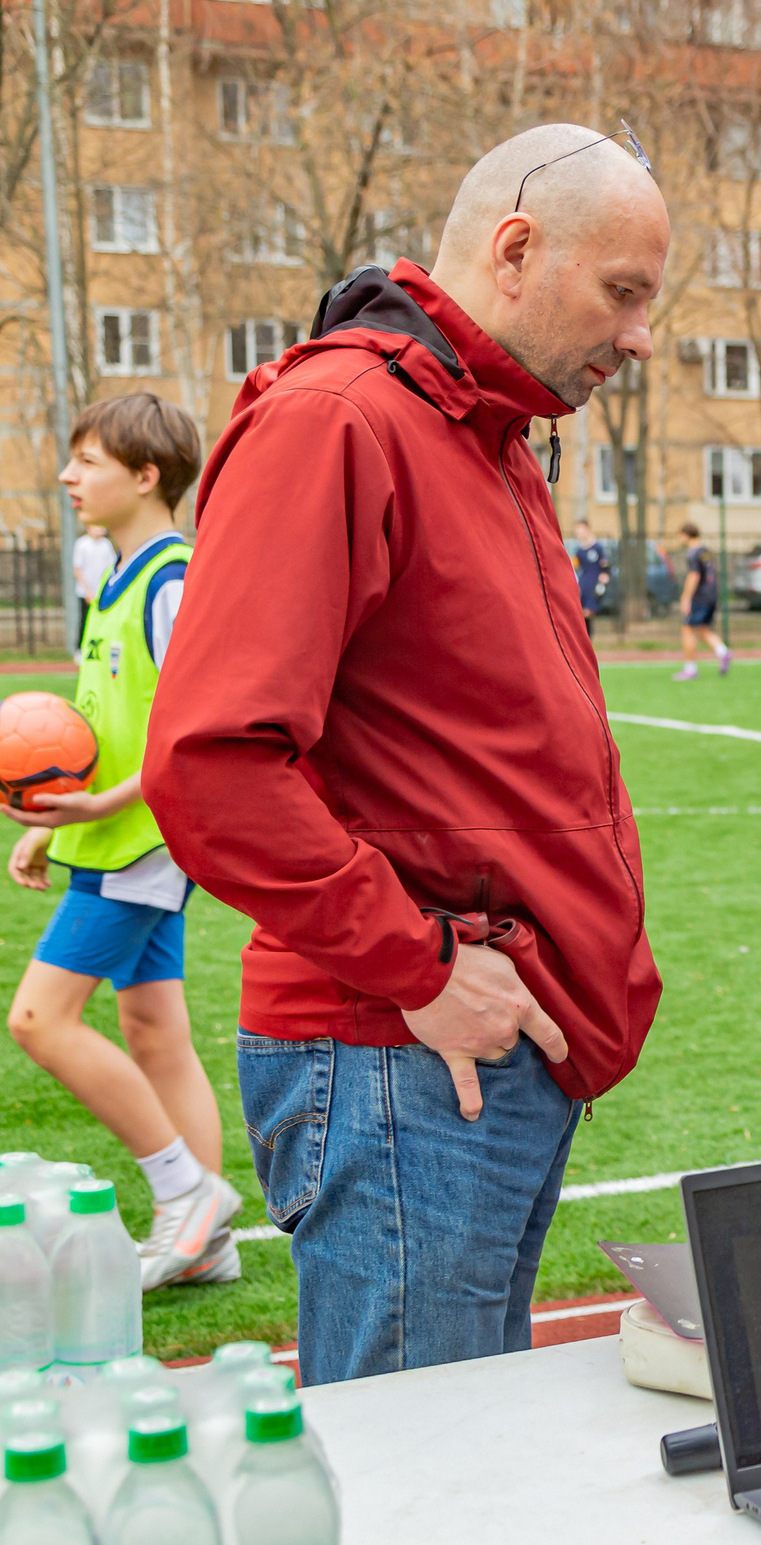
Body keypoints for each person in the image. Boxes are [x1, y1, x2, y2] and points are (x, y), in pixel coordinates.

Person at [143, 123, 669, 1386]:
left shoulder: (486, 438)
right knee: (418, 1484)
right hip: (402, 1056)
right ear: (515, 249)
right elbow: (211, 760)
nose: (641, 337)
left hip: (474, 1056)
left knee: (471, 1461)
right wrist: (424, 966)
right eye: (625, 293)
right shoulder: (340, 419)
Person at [5, 394, 238, 1292]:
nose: (69, 476)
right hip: (115, 835)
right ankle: (205, 1239)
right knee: (153, 1030)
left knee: (38, 1019)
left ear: (146, 477)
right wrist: (58, 820)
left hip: (143, 840)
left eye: (89, 462)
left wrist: (104, 804)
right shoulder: (118, 574)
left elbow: (201, 726)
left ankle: (184, 1194)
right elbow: (112, 719)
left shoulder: (172, 578)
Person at [673, 522, 728, 680]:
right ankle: (723, 652)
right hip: (711, 594)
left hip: (699, 596)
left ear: (685, 535)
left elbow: (694, 576)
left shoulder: (693, 553)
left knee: (687, 629)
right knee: (702, 630)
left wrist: (686, 597)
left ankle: (690, 669)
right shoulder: (706, 551)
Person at [70, 525, 115, 640]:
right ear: (89, 528)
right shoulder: (82, 544)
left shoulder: (106, 544)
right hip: (86, 592)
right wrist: (87, 591)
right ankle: (80, 649)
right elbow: (77, 569)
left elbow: (112, 567)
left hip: (102, 591)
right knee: (85, 620)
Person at [569, 517, 612, 637]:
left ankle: (587, 642)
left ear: (588, 530)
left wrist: (603, 581)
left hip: (593, 586)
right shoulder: (579, 551)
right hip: (583, 586)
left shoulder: (597, 548)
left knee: (587, 613)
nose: (579, 534)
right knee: (580, 617)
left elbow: (605, 567)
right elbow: (576, 567)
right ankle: (585, 644)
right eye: (577, 532)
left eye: (581, 531)